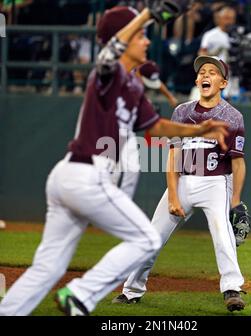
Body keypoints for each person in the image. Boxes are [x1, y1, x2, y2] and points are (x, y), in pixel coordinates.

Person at [0, 6, 229, 316]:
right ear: (124, 38)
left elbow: (156, 128)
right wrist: (147, 13)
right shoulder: (107, 73)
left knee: (47, 268)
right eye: (141, 36)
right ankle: (81, 294)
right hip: (86, 176)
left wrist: (199, 128)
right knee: (147, 239)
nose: (147, 42)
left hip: (69, 178)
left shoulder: (133, 86)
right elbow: (111, 48)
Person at [113, 55, 247, 312]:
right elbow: (173, 155)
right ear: (197, 80)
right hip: (183, 180)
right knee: (153, 236)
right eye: (202, 72)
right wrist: (173, 196)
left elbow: (237, 162)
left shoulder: (233, 117)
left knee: (222, 233)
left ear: (223, 82)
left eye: (212, 72)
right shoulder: (182, 112)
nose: (206, 75)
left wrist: (235, 200)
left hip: (215, 182)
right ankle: (132, 290)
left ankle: (232, 288)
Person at [114, 60, 179, 199]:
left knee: (132, 169)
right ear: (138, 73)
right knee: (112, 173)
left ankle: (123, 206)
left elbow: (156, 82)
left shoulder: (139, 82)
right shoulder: (124, 76)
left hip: (126, 132)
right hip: (110, 128)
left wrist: (169, 96)